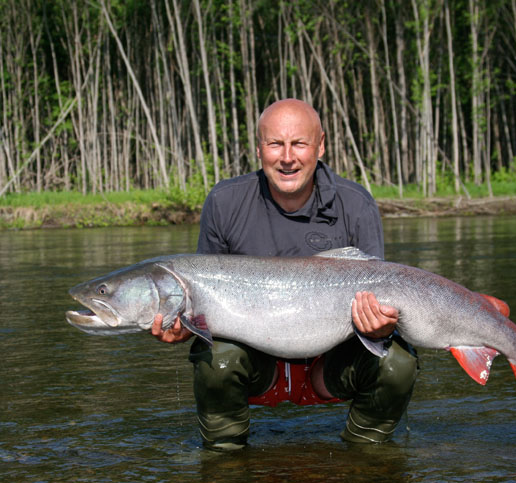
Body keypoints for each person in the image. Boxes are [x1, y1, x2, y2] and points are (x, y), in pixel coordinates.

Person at [152, 99, 417, 450]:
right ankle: (223, 470)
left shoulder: (356, 204)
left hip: (333, 364)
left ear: (321, 145)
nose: (287, 157)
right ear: (259, 148)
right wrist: (183, 329)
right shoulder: (224, 202)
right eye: (275, 144)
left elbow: (379, 303)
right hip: (258, 366)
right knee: (216, 357)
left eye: (300, 144)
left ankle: (365, 464)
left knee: (398, 361)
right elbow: (202, 309)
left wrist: (381, 325)